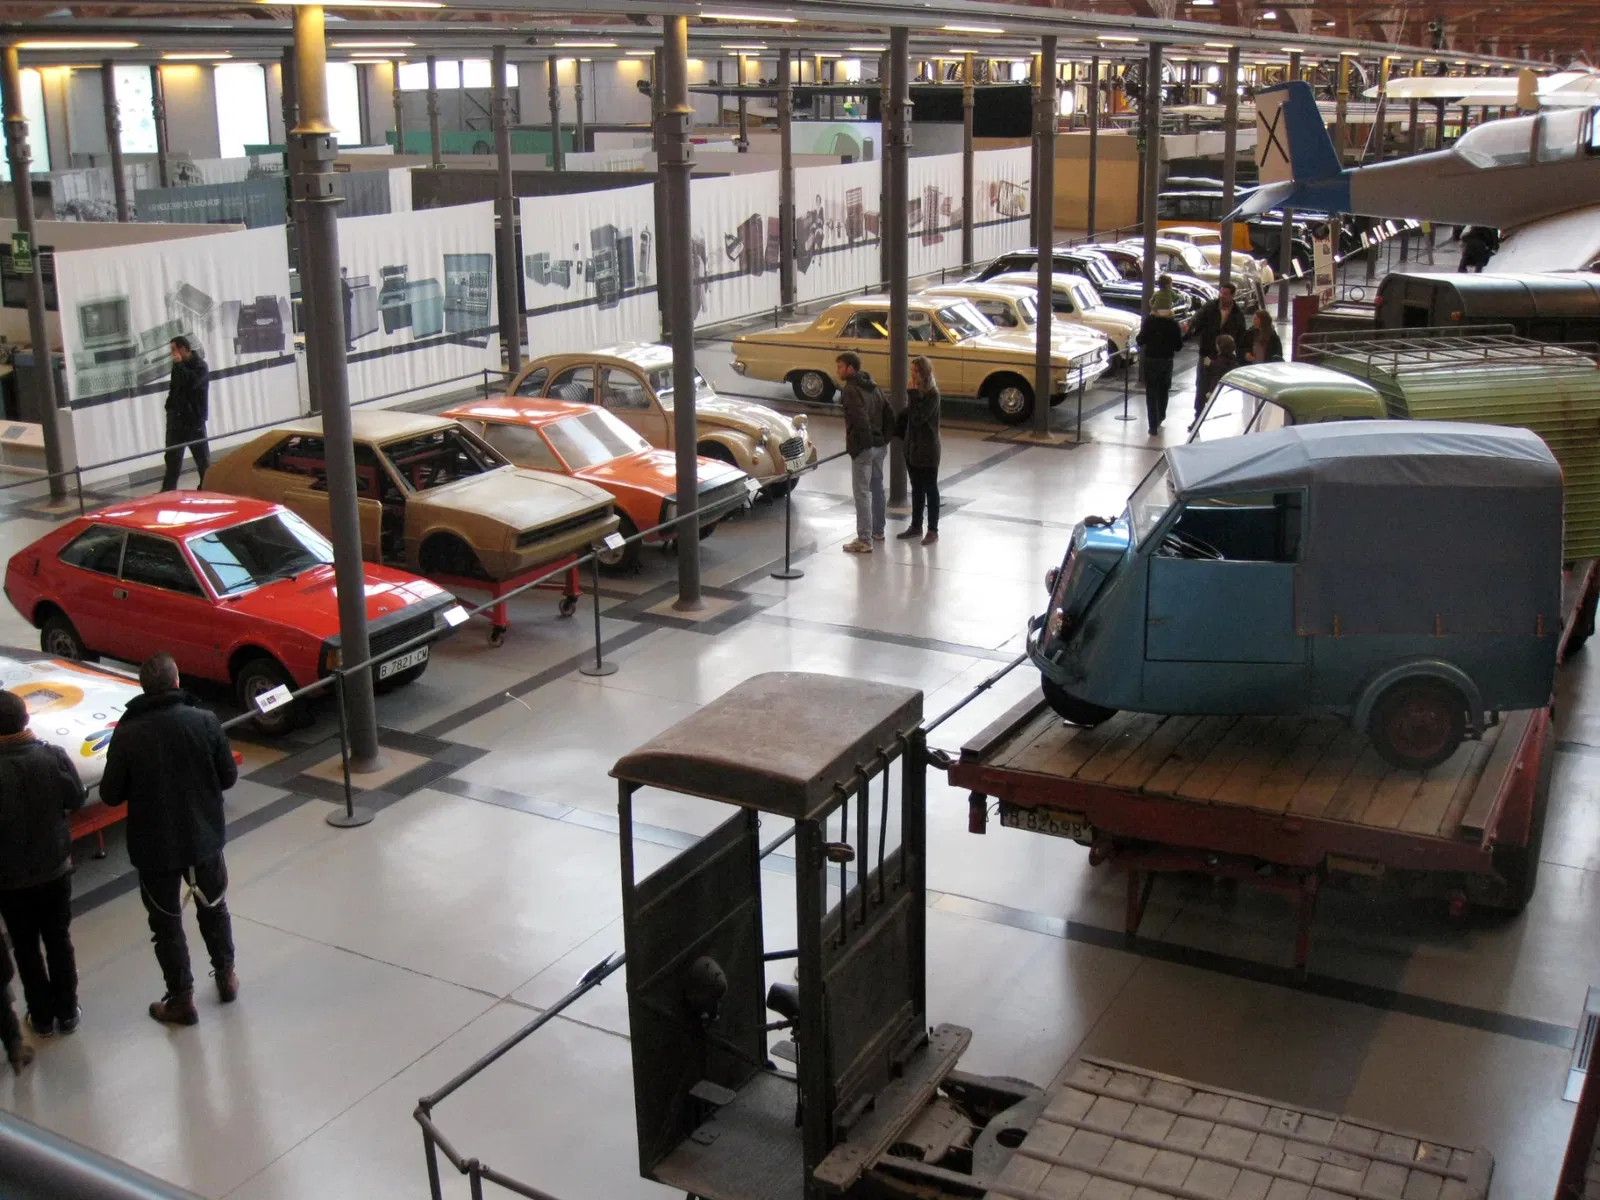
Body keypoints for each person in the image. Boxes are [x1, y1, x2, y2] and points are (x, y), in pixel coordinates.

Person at [101, 653, 239, 1026]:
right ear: (177, 682)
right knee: (214, 907)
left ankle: (181, 998)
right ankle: (226, 976)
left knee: (166, 925)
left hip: (154, 846)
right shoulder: (205, 721)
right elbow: (228, 777)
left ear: (144, 688)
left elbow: (111, 794)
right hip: (204, 836)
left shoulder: (128, 733)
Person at [0, 690, 85, 1041]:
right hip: (54, 868)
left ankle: (40, 1015)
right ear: (26, 719)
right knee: (58, 940)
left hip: (8, 879)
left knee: (24, 947)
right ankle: (67, 1011)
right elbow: (76, 798)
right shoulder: (52, 756)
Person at [837, 352, 890, 555]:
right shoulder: (873, 386)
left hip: (865, 448)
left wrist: (863, 445)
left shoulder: (851, 390)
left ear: (851, 368)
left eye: (840, 367)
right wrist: (883, 438)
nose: (838, 371)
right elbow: (888, 413)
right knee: (877, 488)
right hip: (879, 447)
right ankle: (878, 531)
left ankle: (864, 539)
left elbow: (859, 419)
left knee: (862, 493)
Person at [896, 356, 941, 546]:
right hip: (912, 448)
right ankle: (916, 525)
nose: (912, 375)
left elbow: (918, 418)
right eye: (911, 370)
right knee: (916, 489)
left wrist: (912, 394)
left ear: (924, 373)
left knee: (930, 488)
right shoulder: (915, 394)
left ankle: (932, 529)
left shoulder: (932, 394)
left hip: (928, 449)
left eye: (916, 371)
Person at [161, 336, 210, 492]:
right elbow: (174, 387)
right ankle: (168, 491)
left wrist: (179, 365)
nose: (172, 354)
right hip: (176, 421)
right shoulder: (177, 365)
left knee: (202, 461)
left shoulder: (200, 366)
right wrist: (169, 407)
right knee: (172, 461)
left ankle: (207, 488)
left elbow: (192, 383)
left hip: (194, 421)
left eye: (174, 350)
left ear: (182, 349)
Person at [1193, 283, 1247, 408]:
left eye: (1226, 294)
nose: (1222, 296)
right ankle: (1198, 417)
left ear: (1232, 295)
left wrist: (1238, 356)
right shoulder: (1210, 307)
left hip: (1225, 356)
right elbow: (1198, 319)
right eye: (1221, 292)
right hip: (1207, 353)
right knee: (1201, 386)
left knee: (1218, 387)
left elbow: (1241, 337)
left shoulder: (1238, 314)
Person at [1136, 305, 1184, 437]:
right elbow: (1178, 346)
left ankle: (1152, 426)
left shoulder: (1150, 322)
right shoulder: (1173, 324)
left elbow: (1140, 340)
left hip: (1151, 360)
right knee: (1163, 390)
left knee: (1151, 393)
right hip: (1166, 361)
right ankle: (1161, 416)